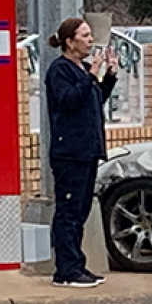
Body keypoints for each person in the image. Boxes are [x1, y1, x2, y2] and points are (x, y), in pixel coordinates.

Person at [45, 17, 118, 288]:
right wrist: (89, 77)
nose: (90, 40)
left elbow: (95, 98)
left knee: (82, 210)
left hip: (88, 150)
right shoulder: (59, 70)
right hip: (69, 151)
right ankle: (66, 269)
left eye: (90, 35)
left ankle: (78, 264)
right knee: (69, 211)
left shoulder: (84, 69)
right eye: (85, 35)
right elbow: (69, 101)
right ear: (69, 41)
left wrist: (108, 76)